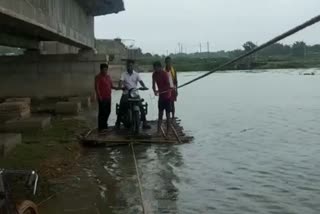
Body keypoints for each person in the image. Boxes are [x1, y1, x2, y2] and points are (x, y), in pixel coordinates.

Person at [116, 59, 151, 129]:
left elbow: (140, 81)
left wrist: (144, 86)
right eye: (128, 66)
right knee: (122, 105)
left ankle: (144, 123)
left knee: (141, 106)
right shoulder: (124, 74)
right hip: (126, 92)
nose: (130, 67)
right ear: (127, 66)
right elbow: (120, 81)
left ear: (133, 66)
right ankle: (118, 123)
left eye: (131, 65)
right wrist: (120, 86)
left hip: (134, 93)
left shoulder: (136, 74)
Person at [95, 63, 118, 133]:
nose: (105, 71)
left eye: (106, 69)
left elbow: (111, 86)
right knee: (102, 113)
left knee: (108, 111)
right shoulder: (98, 77)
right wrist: (99, 97)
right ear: (101, 69)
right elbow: (96, 88)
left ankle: (104, 125)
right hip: (102, 98)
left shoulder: (108, 77)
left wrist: (119, 88)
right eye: (104, 69)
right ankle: (101, 127)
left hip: (108, 97)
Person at [152, 61, 172, 136]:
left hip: (167, 96)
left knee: (167, 114)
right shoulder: (154, 74)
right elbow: (153, 85)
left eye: (156, 68)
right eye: (154, 68)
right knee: (160, 113)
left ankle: (168, 131)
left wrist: (160, 91)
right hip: (161, 96)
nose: (155, 69)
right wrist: (154, 91)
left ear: (159, 67)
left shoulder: (165, 74)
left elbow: (168, 85)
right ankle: (158, 131)